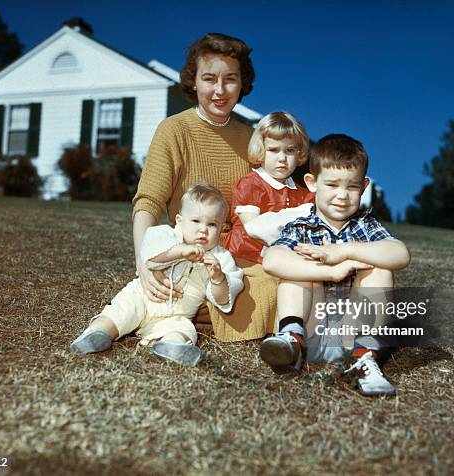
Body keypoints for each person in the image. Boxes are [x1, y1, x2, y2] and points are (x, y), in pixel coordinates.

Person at [130, 33, 277, 341]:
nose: (220, 91)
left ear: (242, 83)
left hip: (237, 256)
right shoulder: (174, 130)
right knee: (191, 283)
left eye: (230, 79)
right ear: (193, 81)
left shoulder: (253, 138)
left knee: (281, 279)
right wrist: (144, 264)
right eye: (209, 79)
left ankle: (206, 311)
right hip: (190, 252)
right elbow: (147, 203)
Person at [261, 134, 411, 395]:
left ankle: (363, 359)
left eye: (352, 187)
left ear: (363, 187)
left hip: (351, 335)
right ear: (312, 183)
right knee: (293, 266)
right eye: (332, 184)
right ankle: (292, 341)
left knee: (381, 267)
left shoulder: (366, 227)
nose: (342, 195)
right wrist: (329, 270)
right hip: (311, 332)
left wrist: (343, 252)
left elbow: (400, 254)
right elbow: (272, 260)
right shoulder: (300, 228)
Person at [70, 184, 243, 366]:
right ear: (179, 220)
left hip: (177, 315)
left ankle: (172, 346)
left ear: (222, 229)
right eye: (195, 221)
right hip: (142, 297)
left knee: (184, 329)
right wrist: (180, 251)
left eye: (212, 224)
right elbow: (150, 256)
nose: (203, 229)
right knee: (121, 311)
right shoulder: (165, 234)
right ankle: (97, 334)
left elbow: (223, 300)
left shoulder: (221, 259)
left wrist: (218, 278)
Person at [224, 111, 314, 264]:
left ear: (299, 154)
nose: (282, 158)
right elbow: (255, 228)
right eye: (273, 150)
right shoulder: (251, 185)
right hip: (245, 256)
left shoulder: (303, 194)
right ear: (260, 149)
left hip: (283, 257)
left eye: (290, 151)